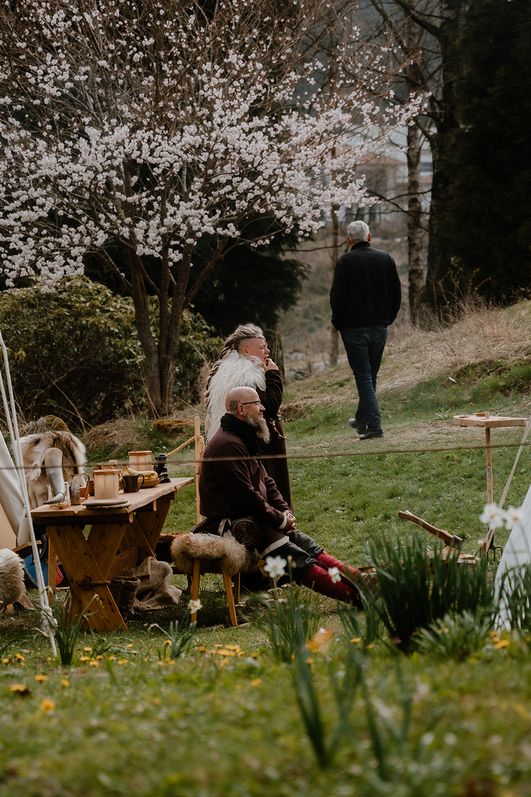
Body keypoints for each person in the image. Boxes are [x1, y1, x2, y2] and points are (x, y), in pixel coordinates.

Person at [196, 385, 364, 605]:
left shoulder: (241, 436)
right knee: (294, 558)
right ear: (241, 410)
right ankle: (355, 596)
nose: (262, 408)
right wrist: (279, 519)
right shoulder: (227, 445)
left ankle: (360, 580)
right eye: (257, 403)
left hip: (252, 516)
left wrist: (284, 512)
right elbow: (245, 497)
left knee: (306, 544)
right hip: (231, 524)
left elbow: (267, 482)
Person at [204, 323, 291, 506]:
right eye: (262, 347)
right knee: (266, 489)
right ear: (246, 349)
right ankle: (278, 522)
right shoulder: (246, 376)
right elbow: (269, 407)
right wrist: (274, 375)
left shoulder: (226, 371)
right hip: (256, 442)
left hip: (242, 439)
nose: (267, 350)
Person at [330, 220, 401, 440]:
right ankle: (363, 420)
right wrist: (388, 318)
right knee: (370, 375)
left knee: (364, 375)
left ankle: (375, 427)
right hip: (379, 326)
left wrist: (339, 323)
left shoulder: (345, 262)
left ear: (349, 240)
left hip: (353, 329)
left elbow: (337, 297)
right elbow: (396, 293)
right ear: (369, 237)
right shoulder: (386, 259)